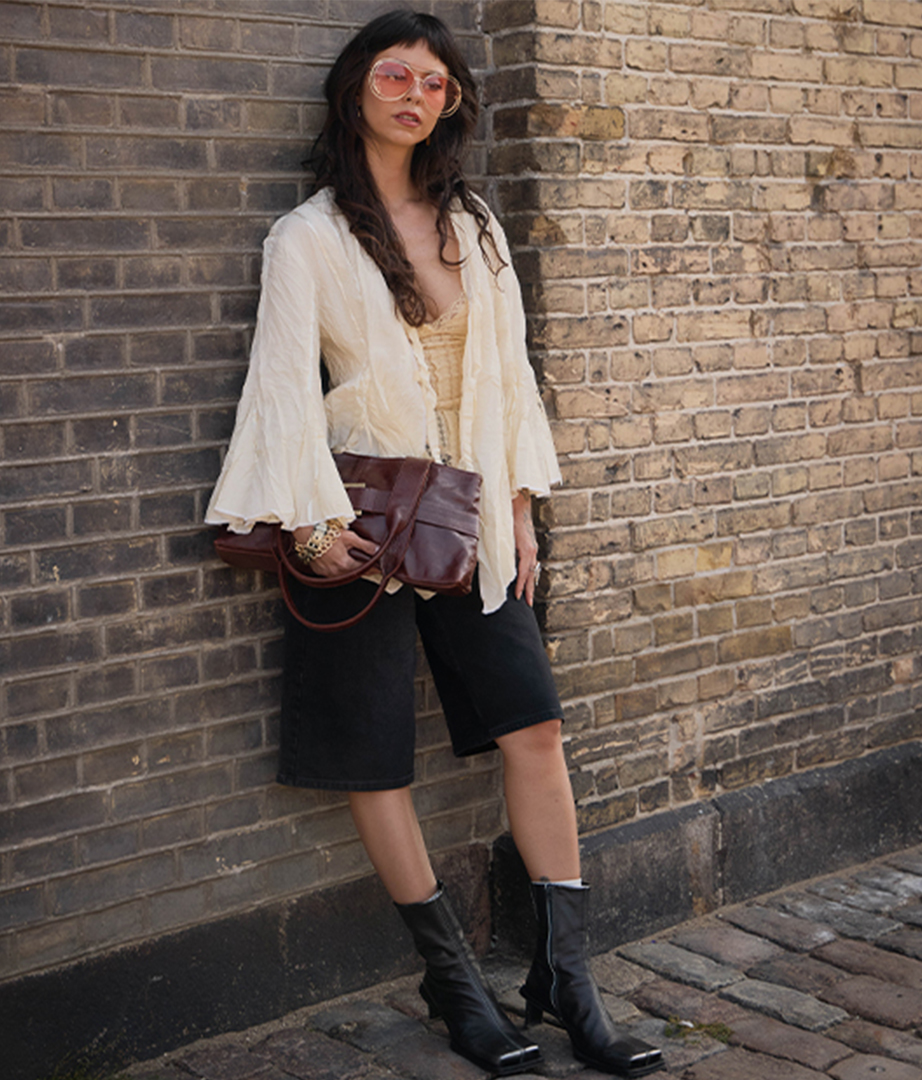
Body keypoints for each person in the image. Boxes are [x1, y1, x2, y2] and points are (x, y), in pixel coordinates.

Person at [206, 12, 660, 1077]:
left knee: (534, 728)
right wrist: (308, 526)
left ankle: (565, 981)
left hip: (473, 522)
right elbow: (279, 387)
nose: (415, 94)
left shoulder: (477, 226)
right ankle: (458, 992)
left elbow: (512, 380)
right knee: (375, 753)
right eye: (394, 74)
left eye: (436, 84)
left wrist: (520, 507)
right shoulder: (308, 237)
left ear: (451, 105)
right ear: (356, 90)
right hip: (355, 520)